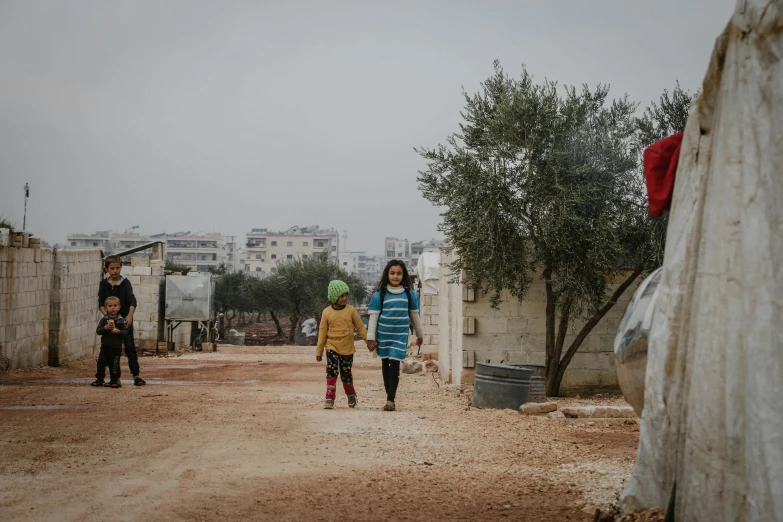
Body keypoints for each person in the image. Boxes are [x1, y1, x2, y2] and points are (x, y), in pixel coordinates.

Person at [366, 260, 424, 411]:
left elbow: (414, 316)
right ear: (387, 274)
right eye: (392, 273)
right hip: (383, 336)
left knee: (395, 366)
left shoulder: (409, 295)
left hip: (400, 336)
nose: (395, 276)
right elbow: (373, 318)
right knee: (385, 365)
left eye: (399, 273)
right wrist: (371, 338)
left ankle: (390, 400)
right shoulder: (380, 295)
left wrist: (420, 334)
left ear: (403, 275)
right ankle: (389, 396)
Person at [315, 280, 368, 409]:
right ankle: (329, 397)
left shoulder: (351, 311)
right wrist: (319, 351)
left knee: (346, 373)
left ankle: (350, 394)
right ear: (334, 297)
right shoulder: (326, 312)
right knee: (331, 372)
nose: (345, 298)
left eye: (346, 295)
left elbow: (360, 328)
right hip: (332, 347)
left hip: (347, 349)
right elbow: (322, 333)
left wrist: (369, 342)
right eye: (341, 296)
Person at [95, 255, 146, 386]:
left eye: (118, 268)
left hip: (124, 321)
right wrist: (108, 317)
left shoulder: (125, 283)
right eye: (112, 268)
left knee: (130, 348)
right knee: (108, 350)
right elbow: (100, 303)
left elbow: (132, 300)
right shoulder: (104, 284)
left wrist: (129, 316)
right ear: (106, 269)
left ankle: (136, 376)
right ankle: (106, 378)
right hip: (109, 323)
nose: (115, 271)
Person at [94, 296, 128, 388]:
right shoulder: (104, 320)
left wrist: (118, 331)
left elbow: (126, 332)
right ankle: (100, 379)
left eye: (115, 305)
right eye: (110, 306)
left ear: (119, 307)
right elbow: (98, 331)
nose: (113, 308)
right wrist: (105, 328)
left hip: (116, 347)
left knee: (114, 364)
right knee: (101, 363)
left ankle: (114, 381)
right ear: (106, 308)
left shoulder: (121, 320)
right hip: (105, 346)